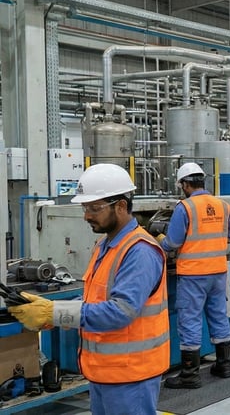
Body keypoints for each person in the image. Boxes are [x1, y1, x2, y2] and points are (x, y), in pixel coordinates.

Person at [9, 164, 169, 414]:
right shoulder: (105, 245)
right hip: (104, 372)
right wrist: (50, 312)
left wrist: (54, 312)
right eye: (85, 208)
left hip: (131, 375)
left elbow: (120, 312)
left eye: (94, 208)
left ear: (121, 206)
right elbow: (92, 298)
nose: (86, 216)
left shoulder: (139, 251)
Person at [158, 163, 230, 389]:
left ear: (184, 184)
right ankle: (224, 365)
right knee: (219, 315)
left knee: (190, 320)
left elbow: (173, 242)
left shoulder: (185, 207)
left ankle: (190, 375)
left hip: (193, 273)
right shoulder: (223, 205)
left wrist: (158, 241)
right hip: (218, 272)